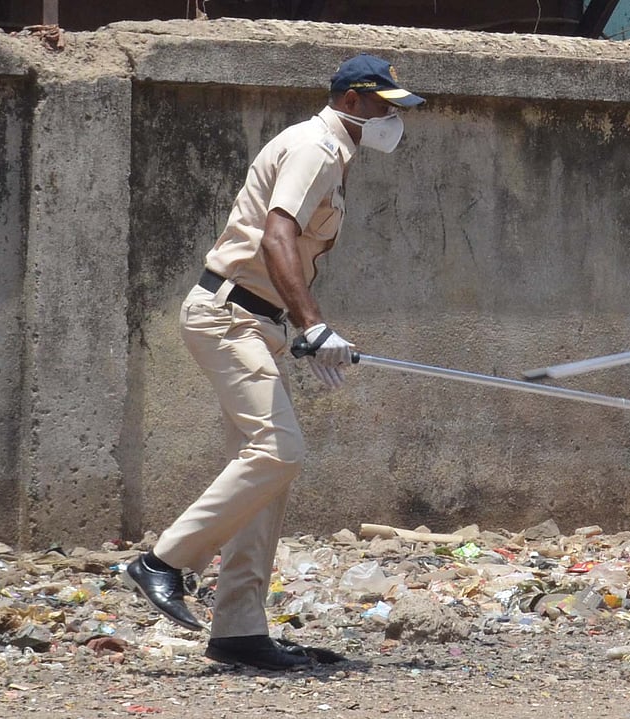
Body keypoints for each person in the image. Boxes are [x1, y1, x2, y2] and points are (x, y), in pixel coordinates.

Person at [122, 54, 424, 670]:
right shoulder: (315, 147)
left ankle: (238, 631)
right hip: (229, 316)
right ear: (353, 101)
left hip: (256, 321)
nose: (393, 119)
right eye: (384, 105)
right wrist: (314, 325)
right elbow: (277, 234)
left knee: (265, 473)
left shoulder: (330, 152)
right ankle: (162, 562)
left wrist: (299, 329)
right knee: (279, 451)